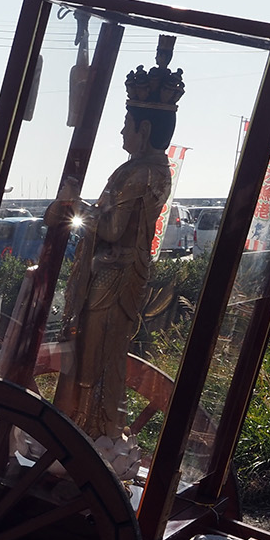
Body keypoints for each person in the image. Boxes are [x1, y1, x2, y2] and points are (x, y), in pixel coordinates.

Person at [52, 41, 182, 442]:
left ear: (143, 129)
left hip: (111, 276)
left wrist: (74, 207)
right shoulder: (158, 170)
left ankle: (86, 429)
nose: (122, 132)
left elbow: (109, 230)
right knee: (106, 354)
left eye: (127, 124)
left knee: (92, 356)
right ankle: (97, 427)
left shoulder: (136, 173)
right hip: (127, 273)